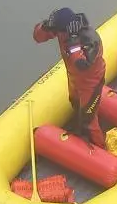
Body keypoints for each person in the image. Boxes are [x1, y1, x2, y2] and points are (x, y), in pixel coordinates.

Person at [33, 8, 107, 147]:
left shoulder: (90, 39)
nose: (56, 34)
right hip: (74, 79)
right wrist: (45, 26)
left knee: (88, 119)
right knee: (74, 102)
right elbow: (38, 37)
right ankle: (79, 129)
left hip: (90, 83)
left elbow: (81, 64)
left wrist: (73, 42)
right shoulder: (62, 29)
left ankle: (100, 148)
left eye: (58, 31)